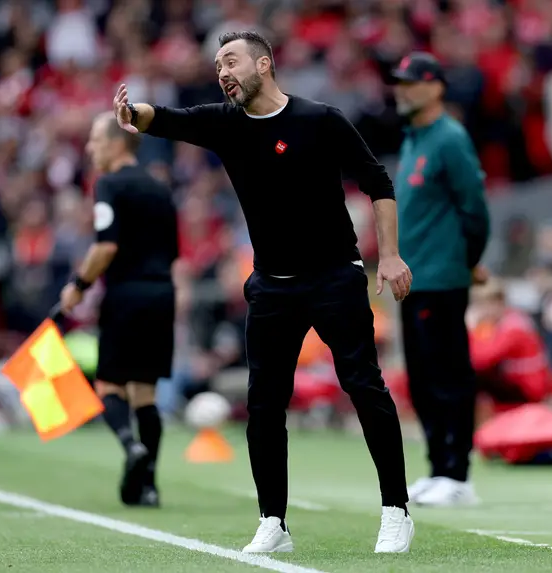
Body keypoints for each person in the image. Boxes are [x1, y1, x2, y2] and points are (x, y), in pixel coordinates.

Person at [112, 30, 414, 554]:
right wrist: (133, 113)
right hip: (272, 287)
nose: (222, 72)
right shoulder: (225, 124)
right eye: (217, 66)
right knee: (264, 405)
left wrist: (388, 255)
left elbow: (378, 182)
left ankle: (396, 510)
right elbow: (171, 118)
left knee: (364, 387)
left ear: (264, 64)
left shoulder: (319, 119)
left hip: (335, 277)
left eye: (230, 61)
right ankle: (273, 521)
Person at [60, 112, 179, 508]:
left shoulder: (108, 184)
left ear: (116, 143)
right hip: (162, 294)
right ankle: (149, 486)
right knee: (145, 393)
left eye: (95, 140)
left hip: (126, 294)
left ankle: (131, 447)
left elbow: (106, 246)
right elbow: (174, 251)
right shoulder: (161, 188)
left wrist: (78, 286)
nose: (90, 148)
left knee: (109, 386)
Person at [390, 52, 491, 507]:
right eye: (399, 82)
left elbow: (475, 209)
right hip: (414, 279)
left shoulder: (450, 138)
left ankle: (458, 473)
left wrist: (466, 261)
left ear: (436, 87)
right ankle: (437, 468)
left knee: (448, 374)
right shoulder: (414, 138)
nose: (402, 89)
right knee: (422, 378)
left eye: (411, 82)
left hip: (442, 278)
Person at [468, 278, 550, 411]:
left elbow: (481, 359)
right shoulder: (499, 324)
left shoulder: (514, 325)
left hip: (528, 390)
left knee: (473, 377)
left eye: (486, 305)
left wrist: (470, 328)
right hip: (517, 382)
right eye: (479, 305)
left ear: (499, 303)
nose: (483, 311)